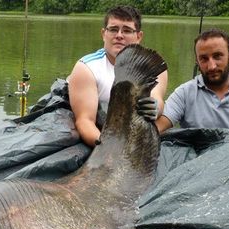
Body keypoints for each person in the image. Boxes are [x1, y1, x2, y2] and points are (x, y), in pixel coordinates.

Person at [68, 5, 168, 147]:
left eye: (127, 30)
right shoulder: (86, 68)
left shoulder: (154, 66)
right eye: (113, 29)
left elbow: (157, 98)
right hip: (103, 139)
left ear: (139, 36)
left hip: (139, 140)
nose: (119, 35)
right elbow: (85, 121)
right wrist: (105, 147)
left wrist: (155, 108)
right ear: (103, 34)